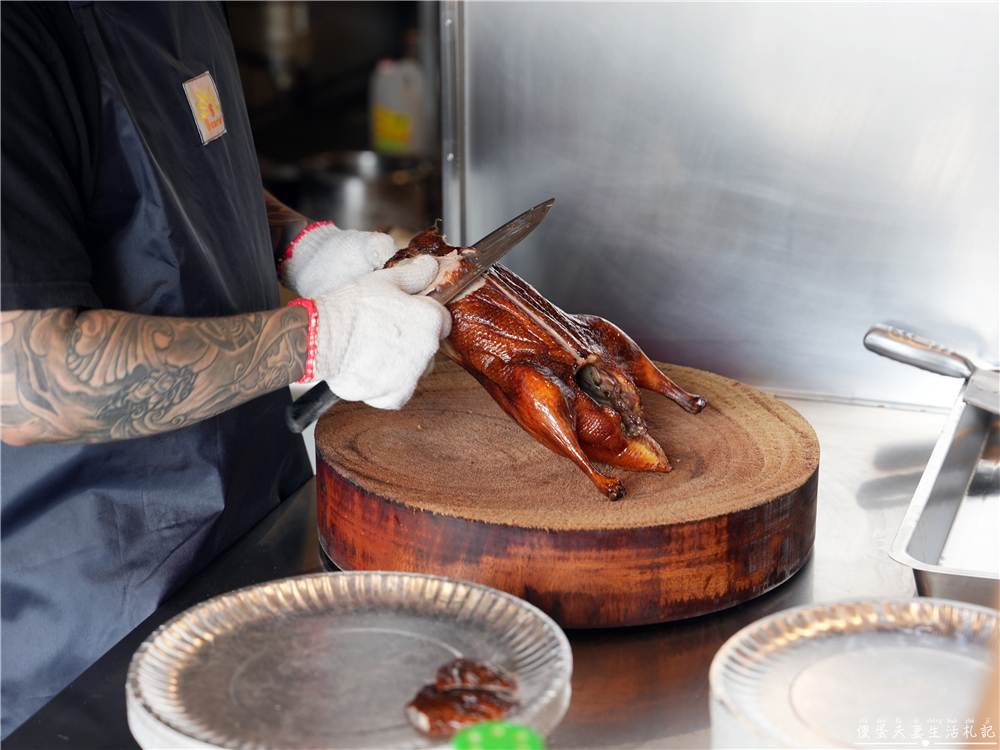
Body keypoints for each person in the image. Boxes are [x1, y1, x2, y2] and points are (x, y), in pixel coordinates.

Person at [0, 1, 451, 737]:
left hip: (253, 534)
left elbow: (180, 173)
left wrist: (303, 246)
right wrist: (322, 338)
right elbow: (25, 376)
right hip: (96, 627)